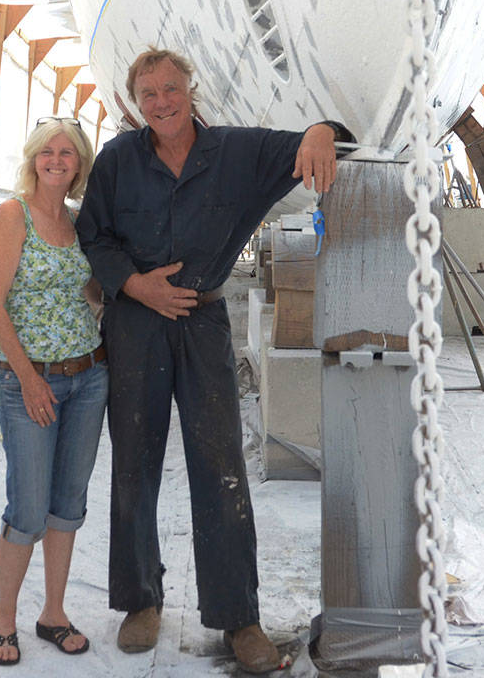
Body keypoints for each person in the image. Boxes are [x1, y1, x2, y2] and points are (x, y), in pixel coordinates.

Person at [77, 48, 352, 673]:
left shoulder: (235, 151)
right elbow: (93, 235)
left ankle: (239, 617)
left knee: (221, 463)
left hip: (201, 322)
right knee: (134, 462)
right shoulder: (119, 159)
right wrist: (137, 284)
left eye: (170, 89)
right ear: (134, 101)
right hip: (136, 322)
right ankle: (140, 601)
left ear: (189, 89)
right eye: (147, 94)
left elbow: (318, 141)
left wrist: (320, 132)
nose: (161, 102)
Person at [0, 117, 109, 666]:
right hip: (29, 381)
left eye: (68, 153)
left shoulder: (79, 223)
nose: (57, 160)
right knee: (29, 509)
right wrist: (31, 378)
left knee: (67, 506)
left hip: (89, 376)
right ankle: (4, 621)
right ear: (33, 158)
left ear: (79, 163)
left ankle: (53, 612)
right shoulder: (13, 217)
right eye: (47, 152)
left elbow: (88, 289)